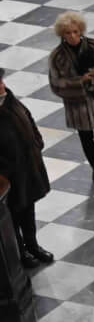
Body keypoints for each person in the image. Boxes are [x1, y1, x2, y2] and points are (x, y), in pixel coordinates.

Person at [47, 13, 94, 189]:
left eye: (75, 31)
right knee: (86, 139)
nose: (72, 36)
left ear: (81, 31)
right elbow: (57, 84)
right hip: (78, 105)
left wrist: (93, 78)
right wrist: (80, 82)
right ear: (62, 35)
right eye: (68, 33)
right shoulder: (57, 56)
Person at [0, 69, 53, 267]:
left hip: (28, 168)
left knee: (28, 212)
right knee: (13, 217)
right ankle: (21, 253)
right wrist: (6, 169)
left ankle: (33, 246)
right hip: (9, 176)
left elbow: (29, 121)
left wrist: (37, 144)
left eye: (0, 81)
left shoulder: (12, 102)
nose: (1, 85)